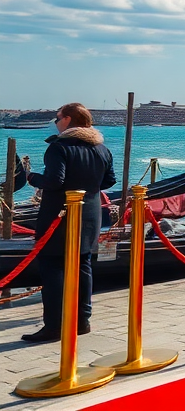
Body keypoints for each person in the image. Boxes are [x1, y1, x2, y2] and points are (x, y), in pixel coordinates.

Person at [21, 103, 116, 343]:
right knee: (83, 267)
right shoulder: (101, 148)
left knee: (53, 268)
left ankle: (54, 326)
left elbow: (54, 181)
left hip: (60, 216)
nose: (55, 122)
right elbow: (110, 181)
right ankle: (82, 322)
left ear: (68, 119)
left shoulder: (59, 147)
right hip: (90, 217)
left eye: (57, 118)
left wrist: (31, 177)